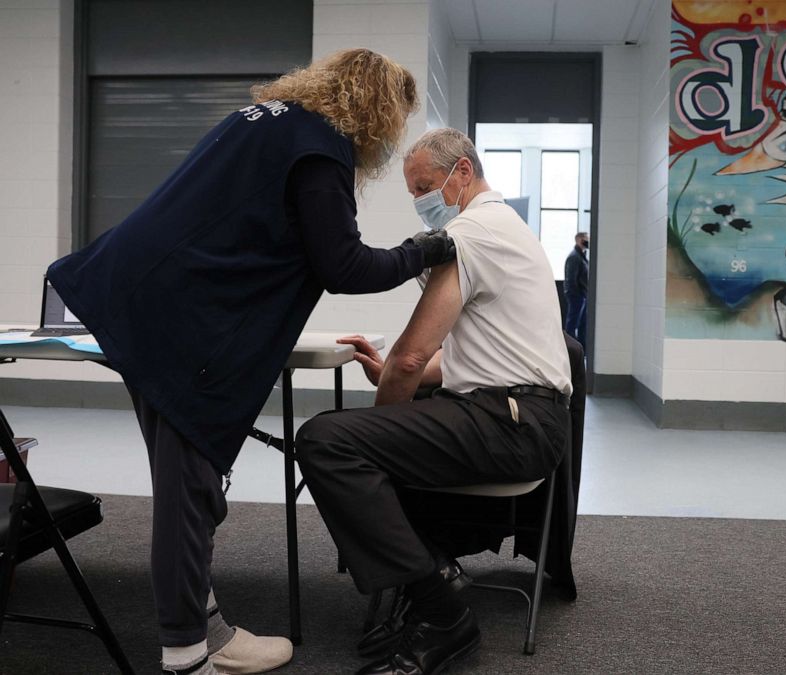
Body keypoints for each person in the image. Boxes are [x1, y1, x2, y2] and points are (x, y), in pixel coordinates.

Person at [46, 49, 456, 675]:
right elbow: (342, 265)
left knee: (189, 484)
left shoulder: (268, 117)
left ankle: (208, 628)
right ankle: (186, 657)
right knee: (189, 492)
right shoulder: (321, 148)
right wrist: (420, 250)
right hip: (180, 321)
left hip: (135, 297)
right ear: (375, 109)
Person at [295, 127, 573, 675]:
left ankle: (439, 608)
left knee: (325, 441)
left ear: (462, 172)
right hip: (521, 415)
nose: (422, 200)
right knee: (361, 442)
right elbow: (474, 358)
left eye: (426, 186)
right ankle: (434, 570)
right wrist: (409, 378)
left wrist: (381, 428)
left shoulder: (470, 233)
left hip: (512, 422)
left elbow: (407, 359)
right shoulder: (504, 226)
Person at [564, 231, 589, 349]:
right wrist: (577, 295)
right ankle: (570, 350)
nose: (588, 241)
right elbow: (571, 279)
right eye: (586, 239)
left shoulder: (582, 256)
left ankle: (580, 350)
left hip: (582, 295)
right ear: (579, 240)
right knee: (572, 323)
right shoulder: (574, 257)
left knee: (582, 324)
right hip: (577, 296)